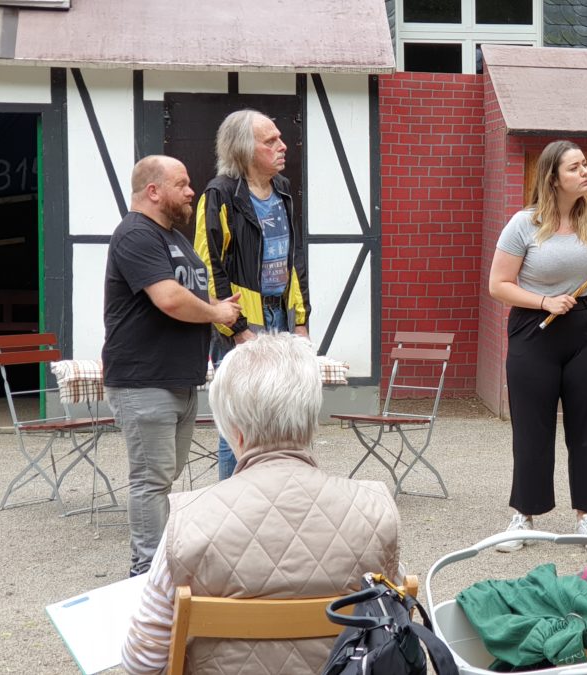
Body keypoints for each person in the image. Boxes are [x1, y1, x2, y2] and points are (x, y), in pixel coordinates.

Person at [121, 333, 401, 674]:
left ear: (235, 433)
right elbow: (396, 629)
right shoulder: (375, 513)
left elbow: (141, 662)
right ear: (312, 423)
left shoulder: (188, 522)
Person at [487, 140, 587, 552]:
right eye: (575, 168)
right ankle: (523, 516)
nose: (586, 172)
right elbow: (498, 286)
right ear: (553, 177)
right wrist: (544, 300)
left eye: (586, 165)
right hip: (533, 328)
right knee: (532, 426)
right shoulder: (523, 224)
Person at [102, 155, 242, 577]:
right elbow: (169, 298)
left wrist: (218, 308)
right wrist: (216, 314)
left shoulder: (174, 239)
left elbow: (191, 296)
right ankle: (145, 573)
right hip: (144, 379)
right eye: (181, 184)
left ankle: (161, 564)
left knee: (165, 474)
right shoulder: (135, 235)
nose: (190, 191)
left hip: (179, 380)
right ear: (153, 191)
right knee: (150, 478)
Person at [195, 109, 310, 480]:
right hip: (240, 325)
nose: (282, 146)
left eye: (280, 137)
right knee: (238, 422)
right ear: (244, 150)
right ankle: (233, 503)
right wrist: (238, 328)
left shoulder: (283, 190)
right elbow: (209, 265)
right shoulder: (220, 193)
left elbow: (295, 259)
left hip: (281, 320)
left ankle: (271, 496)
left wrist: (302, 321)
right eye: (270, 141)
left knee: (283, 417)